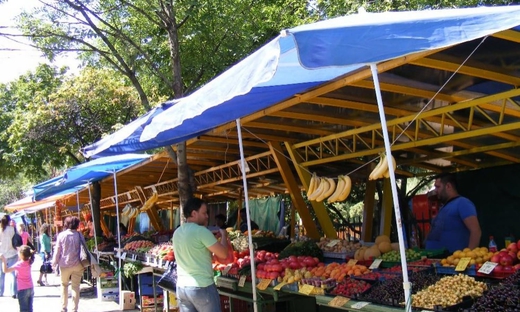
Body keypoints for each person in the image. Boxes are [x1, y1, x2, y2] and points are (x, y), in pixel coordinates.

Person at [173, 198, 229, 312]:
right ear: (194, 213)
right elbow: (223, 254)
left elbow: (194, 253)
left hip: (182, 287)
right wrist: (224, 235)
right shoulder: (201, 231)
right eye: (204, 213)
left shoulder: (177, 232)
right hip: (202, 287)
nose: (207, 216)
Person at [425, 173, 482, 253]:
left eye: (438, 187)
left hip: (452, 260)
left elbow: (476, 231)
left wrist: (468, 257)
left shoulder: (462, 203)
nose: (435, 190)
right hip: (434, 259)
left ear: (448, 186)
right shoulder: (444, 207)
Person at [52, 216, 85, 312]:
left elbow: (57, 250)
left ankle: (63, 307)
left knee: (64, 285)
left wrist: (54, 262)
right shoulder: (79, 235)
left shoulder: (61, 235)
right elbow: (85, 249)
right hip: (78, 264)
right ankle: (74, 309)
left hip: (64, 264)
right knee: (75, 287)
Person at [0, 245, 35, 312]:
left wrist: (4, 260)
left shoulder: (19, 264)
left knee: (23, 309)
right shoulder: (29, 262)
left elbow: (5, 270)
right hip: (30, 288)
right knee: (30, 309)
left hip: (22, 289)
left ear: (21, 255)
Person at [0, 215, 18, 298]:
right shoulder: (12, 229)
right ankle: (13, 292)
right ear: (9, 221)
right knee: (12, 274)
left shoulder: (0, 230)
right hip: (12, 253)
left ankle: (0, 291)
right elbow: (17, 239)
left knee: (1, 274)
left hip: (2, 254)